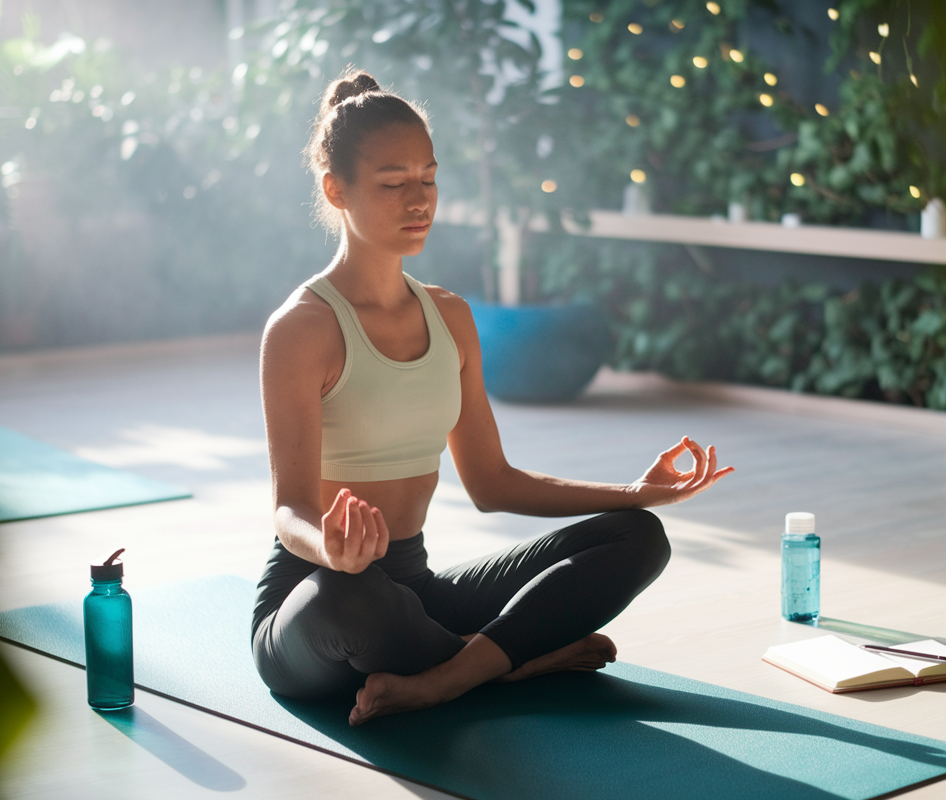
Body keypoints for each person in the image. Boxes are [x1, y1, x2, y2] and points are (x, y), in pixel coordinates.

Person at [251, 70, 734, 727]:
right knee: (355, 598)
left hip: (415, 593)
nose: (419, 199)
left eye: (429, 178)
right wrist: (331, 548)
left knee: (638, 537)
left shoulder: (449, 316)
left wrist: (633, 494)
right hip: (314, 602)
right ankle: (510, 664)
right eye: (394, 184)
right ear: (337, 190)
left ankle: (451, 674)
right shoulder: (301, 329)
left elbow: (493, 482)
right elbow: (289, 509)